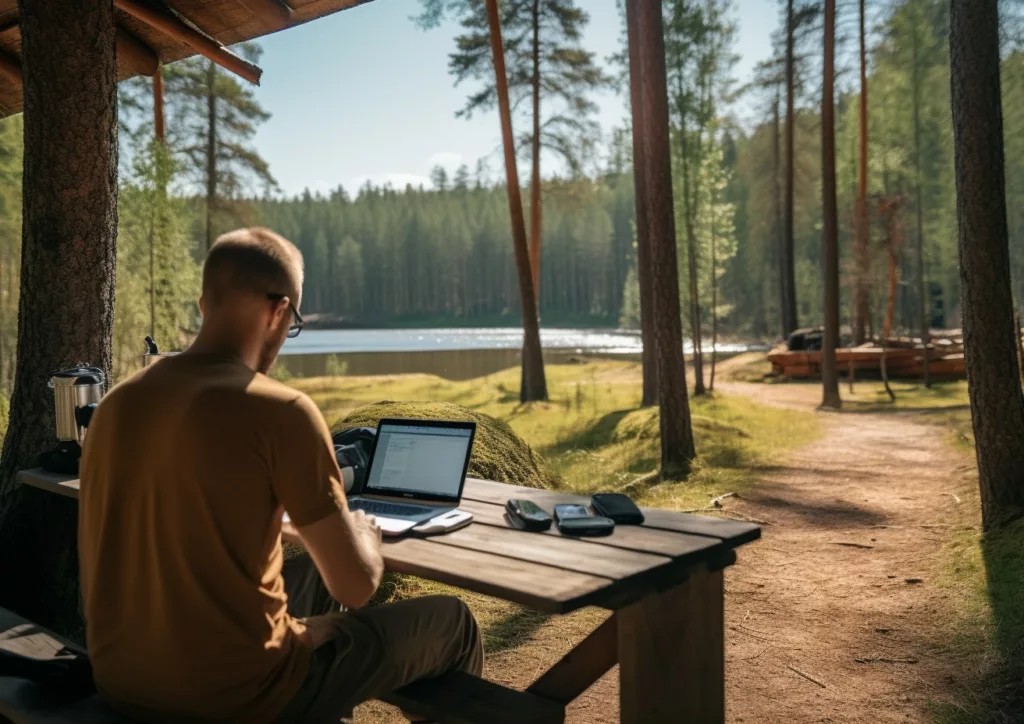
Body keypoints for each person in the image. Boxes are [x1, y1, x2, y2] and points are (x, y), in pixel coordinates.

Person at [79, 227, 483, 723]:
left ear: (205, 303)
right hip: (239, 698)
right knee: (454, 621)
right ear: (279, 311)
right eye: (292, 324)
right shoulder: (281, 410)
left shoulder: (118, 404)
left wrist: (286, 529)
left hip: (123, 681)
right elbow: (357, 586)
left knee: (313, 573)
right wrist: (364, 537)